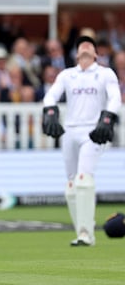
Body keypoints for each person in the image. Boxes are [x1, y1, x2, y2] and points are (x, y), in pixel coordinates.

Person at [42, 35, 122, 246]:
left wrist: (107, 117)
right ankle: (82, 232)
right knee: (71, 185)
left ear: (96, 53)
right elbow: (50, 96)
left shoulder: (105, 73)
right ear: (76, 54)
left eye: (89, 44)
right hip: (69, 131)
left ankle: (86, 234)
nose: (85, 46)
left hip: (93, 131)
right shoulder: (68, 75)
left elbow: (115, 97)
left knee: (84, 179)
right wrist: (50, 112)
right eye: (81, 45)